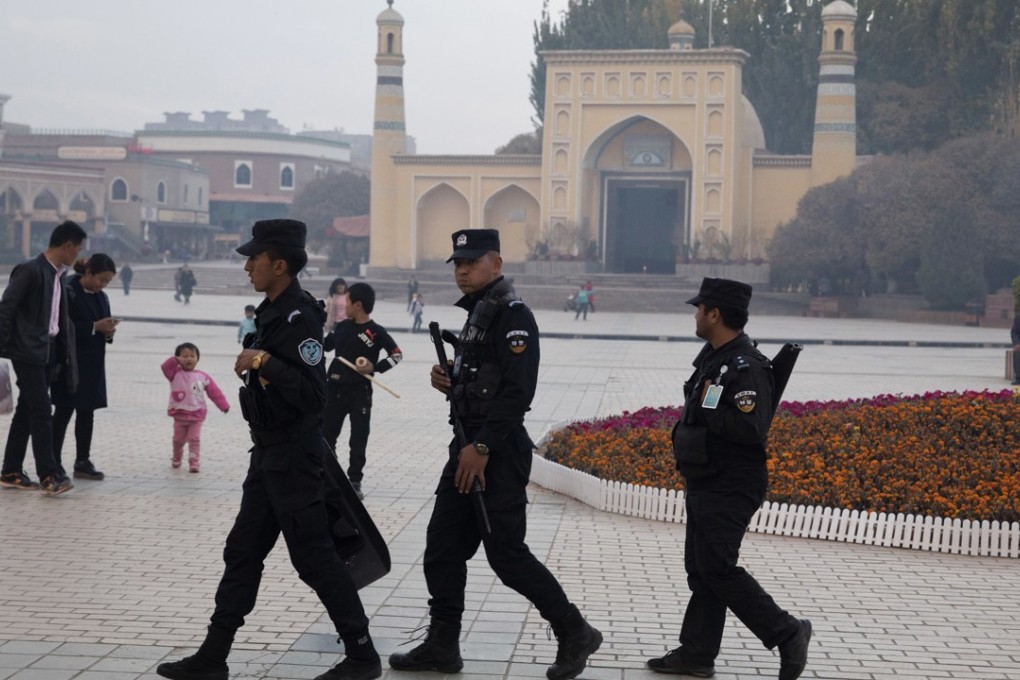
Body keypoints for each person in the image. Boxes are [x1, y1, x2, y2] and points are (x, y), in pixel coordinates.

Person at [156, 219, 381, 680]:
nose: (247, 267)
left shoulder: (300, 318)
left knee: (315, 559)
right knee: (242, 551)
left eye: (253, 259)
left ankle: (362, 655)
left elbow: (313, 394)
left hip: (295, 459)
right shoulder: (271, 312)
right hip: (269, 456)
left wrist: (264, 361)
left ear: (279, 264)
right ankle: (213, 657)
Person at [389, 228, 602, 680]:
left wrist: (483, 447)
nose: (463, 270)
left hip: (495, 453)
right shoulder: (478, 316)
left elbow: (517, 392)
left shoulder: (512, 315)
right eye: (458, 264)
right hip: (465, 449)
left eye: (472, 262)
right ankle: (442, 646)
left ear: (497, 264)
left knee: (506, 555)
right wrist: (451, 377)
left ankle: (574, 630)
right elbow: (486, 380)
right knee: (442, 548)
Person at [648, 277, 811, 680]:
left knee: (718, 568)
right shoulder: (714, 359)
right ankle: (697, 653)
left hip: (731, 483)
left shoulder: (745, 367)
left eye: (700, 308)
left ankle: (787, 632)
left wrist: (708, 412)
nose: (696, 314)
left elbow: (751, 429)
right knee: (702, 570)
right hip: (707, 479)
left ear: (715, 314)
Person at [0, 220, 85, 496]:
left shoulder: (57, 274)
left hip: (46, 351)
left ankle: (11, 470)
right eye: (78, 248)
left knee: (27, 409)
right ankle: (49, 474)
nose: (78, 255)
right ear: (67, 245)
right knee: (41, 410)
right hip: (27, 352)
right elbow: (6, 309)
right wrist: (4, 348)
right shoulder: (31, 270)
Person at [322, 282, 402, 500]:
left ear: (357, 305)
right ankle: (330, 474)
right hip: (334, 388)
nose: (344, 304)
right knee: (327, 434)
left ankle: (355, 480)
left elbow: (397, 355)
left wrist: (374, 368)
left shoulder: (376, 332)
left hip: (360, 391)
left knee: (358, 438)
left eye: (347, 301)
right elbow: (324, 346)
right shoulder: (342, 327)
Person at [51, 254, 119, 481]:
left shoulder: (102, 297)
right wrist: (92, 326)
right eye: (102, 279)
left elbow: (102, 326)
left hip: (93, 365)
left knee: (86, 412)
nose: (104, 285)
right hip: (69, 364)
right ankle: (53, 462)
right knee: (63, 412)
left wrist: (108, 331)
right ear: (88, 273)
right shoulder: (68, 291)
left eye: (108, 282)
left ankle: (82, 460)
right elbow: (60, 326)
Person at [161, 343, 230, 473]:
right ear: (178, 358)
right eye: (185, 356)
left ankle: (194, 462)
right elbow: (165, 368)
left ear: (197, 359)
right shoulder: (174, 374)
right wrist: (175, 360)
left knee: (194, 439)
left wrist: (223, 405)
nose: (189, 359)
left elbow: (214, 392)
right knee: (178, 439)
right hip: (179, 413)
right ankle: (176, 457)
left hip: (197, 414)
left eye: (192, 356)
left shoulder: (203, 377)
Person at [1011, 312, 1020, 386]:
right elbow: (1014, 332)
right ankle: (1018, 378)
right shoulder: (1019, 316)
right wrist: (1017, 343)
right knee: (1017, 353)